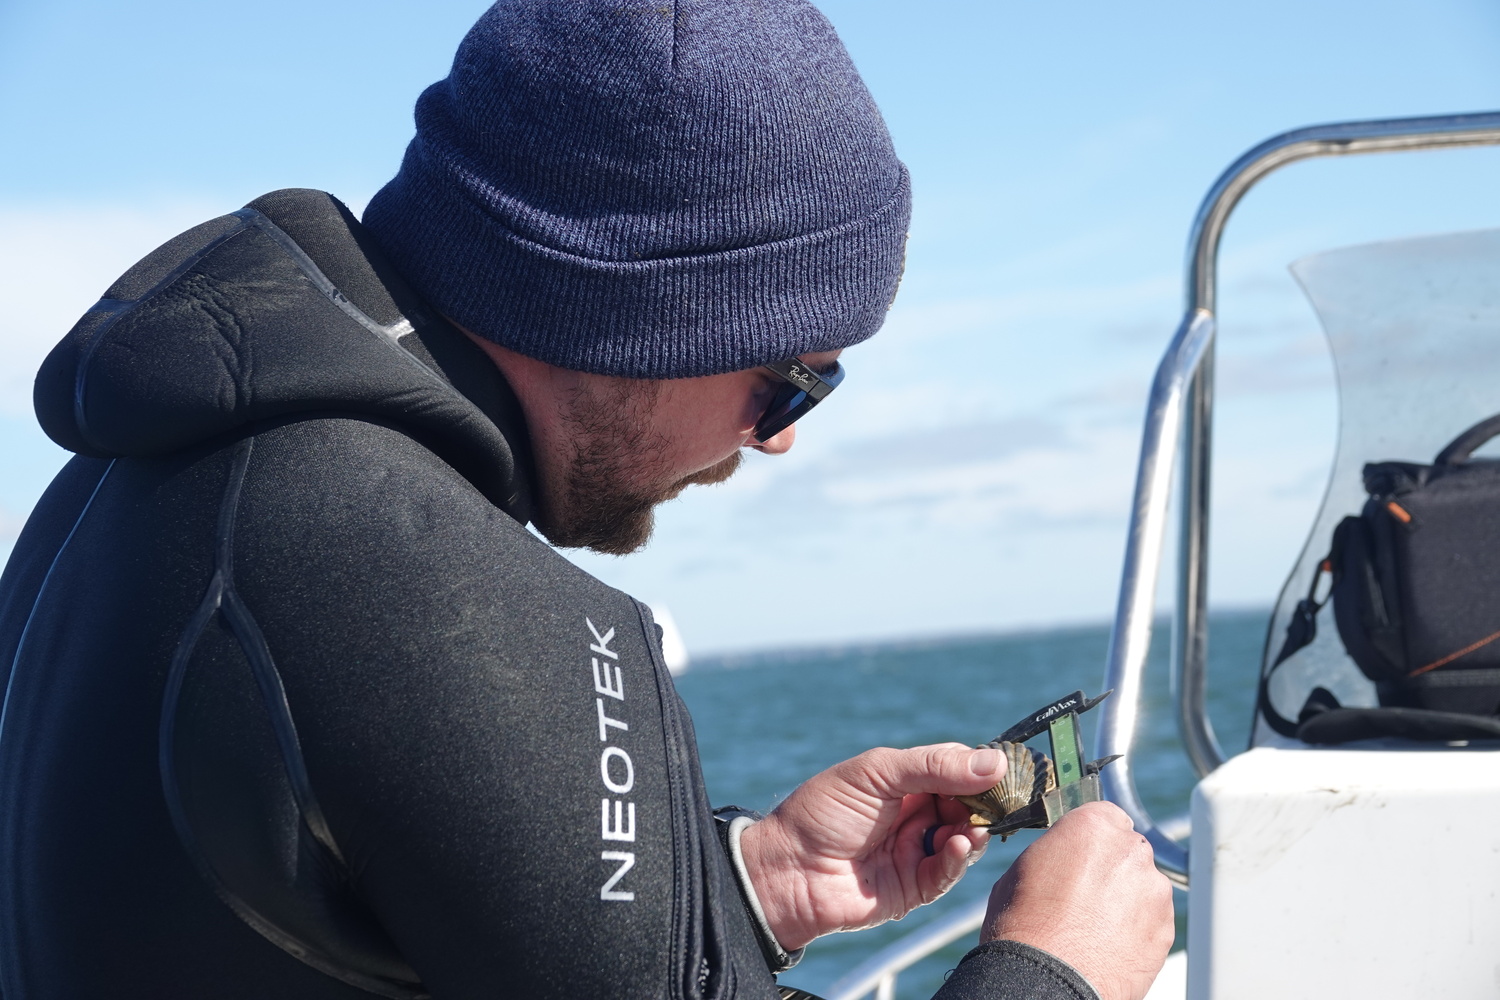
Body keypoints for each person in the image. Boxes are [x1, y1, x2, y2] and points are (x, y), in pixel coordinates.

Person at [0, 2, 1173, 998]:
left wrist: (755, 880)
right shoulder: (402, 574)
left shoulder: (154, 471)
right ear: (639, 316)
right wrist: (1051, 966)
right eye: (791, 381)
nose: (776, 443)